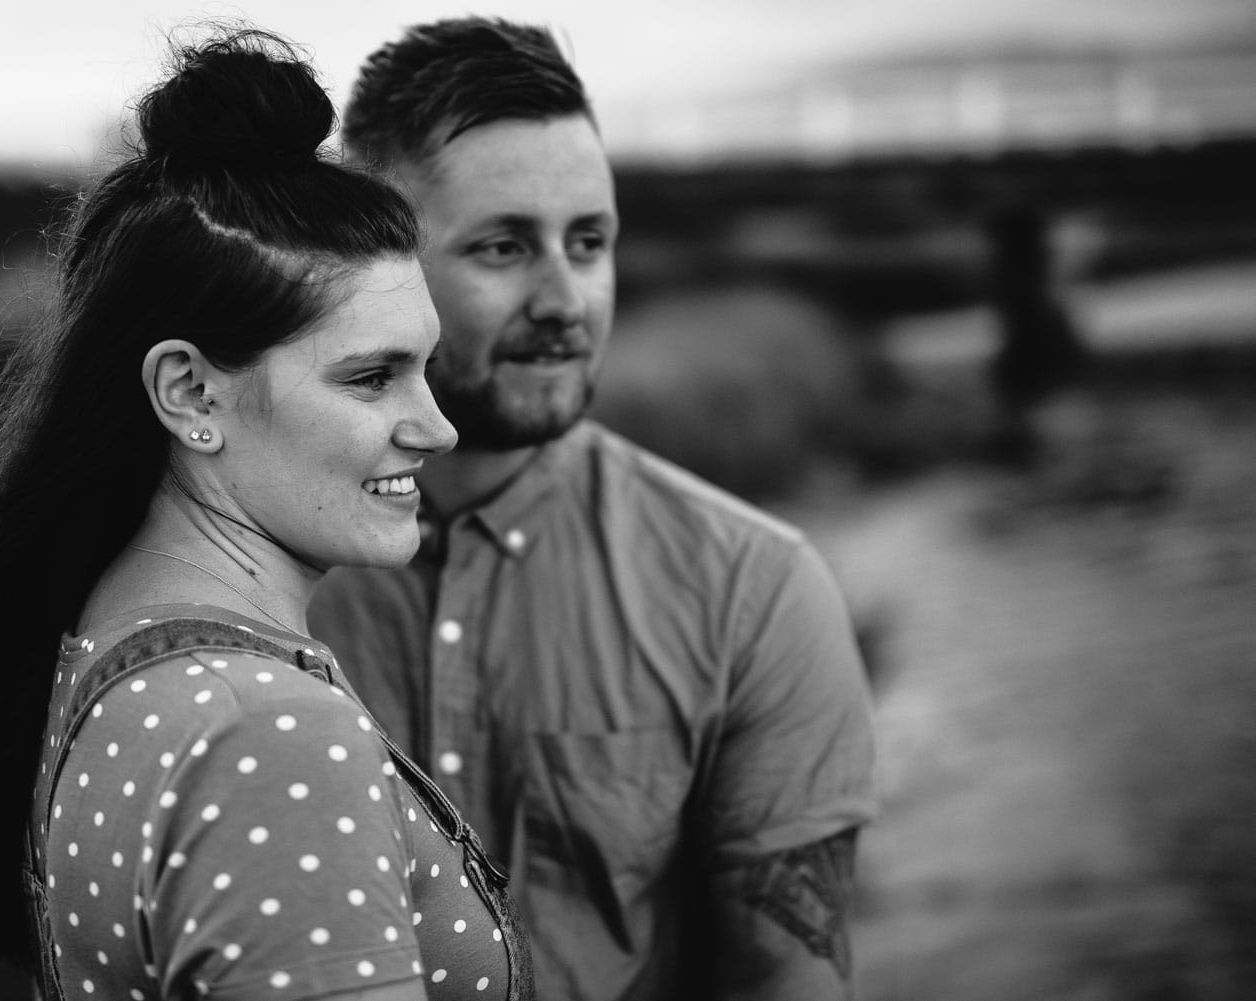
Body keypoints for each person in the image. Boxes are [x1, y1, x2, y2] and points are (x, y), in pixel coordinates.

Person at [0, 26, 535, 1001]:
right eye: (371, 376)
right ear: (191, 394)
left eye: (423, 366)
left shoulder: (123, 644)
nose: (435, 427)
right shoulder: (265, 730)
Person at [309, 17, 878, 1001]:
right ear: (372, 258)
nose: (566, 299)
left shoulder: (755, 592)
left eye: (589, 241)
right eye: (501, 246)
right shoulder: (232, 566)